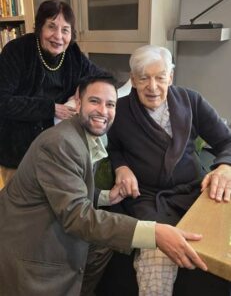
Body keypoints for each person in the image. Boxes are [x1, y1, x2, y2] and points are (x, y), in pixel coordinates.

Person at [0, 74, 207, 296]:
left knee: (102, 248)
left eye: (110, 104)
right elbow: (76, 216)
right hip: (32, 245)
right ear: (78, 103)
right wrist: (154, 233)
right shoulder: (59, 144)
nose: (103, 111)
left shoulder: (85, 134)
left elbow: (70, 186)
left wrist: (108, 197)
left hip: (55, 222)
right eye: (94, 101)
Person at [107, 45, 231, 296]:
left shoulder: (191, 100)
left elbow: (226, 141)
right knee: (156, 256)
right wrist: (121, 167)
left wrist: (225, 167)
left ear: (171, 77)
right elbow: (112, 148)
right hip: (149, 199)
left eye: (160, 77)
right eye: (143, 78)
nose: (152, 87)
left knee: (220, 250)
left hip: (196, 193)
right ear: (133, 80)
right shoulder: (118, 110)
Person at [0, 0, 102, 187]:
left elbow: (102, 77)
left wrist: (82, 88)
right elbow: (3, 102)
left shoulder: (72, 53)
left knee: (56, 207)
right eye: (51, 27)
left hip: (58, 150)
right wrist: (51, 108)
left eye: (65, 30)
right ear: (39, 27)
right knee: (20, 210)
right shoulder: (16, 51)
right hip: (18, 151)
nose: (58, 36)